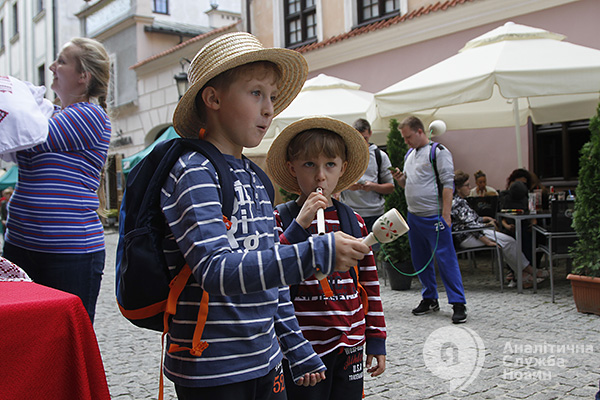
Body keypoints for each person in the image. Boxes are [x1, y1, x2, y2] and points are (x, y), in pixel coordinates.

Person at [162, 32, 370, 400]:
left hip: (266, 360)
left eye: (272, 97)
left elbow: (271, 277)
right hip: (212, 366)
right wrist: (316, 253)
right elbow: (215, 269)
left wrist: (296, 346)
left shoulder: (257, 179)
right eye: (256, 93)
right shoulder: (193, 171)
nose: (269, 108)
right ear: (213, 98)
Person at [267, 116, 386, 400]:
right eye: (309, 165)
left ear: (342, 169)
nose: (320, 176)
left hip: (350, 342)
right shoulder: (280, 220)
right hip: (303, 346)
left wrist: (377, 340)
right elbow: (272, 273)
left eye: (329, 165)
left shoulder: (354, 221)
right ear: (291, 168)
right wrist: (299, 226)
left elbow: (369, 283)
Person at [2, 38, 111, 323]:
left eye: (61, 61)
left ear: (83, 76)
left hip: (69, 253)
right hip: (21, 245)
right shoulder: (47, 115)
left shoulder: (91, 116)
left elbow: (31, 139)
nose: (52, 67)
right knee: (21, 336)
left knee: (65, 340)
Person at [391, 116, 467, 324]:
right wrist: (401, 180)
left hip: (434, 216)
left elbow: (448, 184)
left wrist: (446, 214)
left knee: (446, 259)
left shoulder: (438, 152)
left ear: (419, 132)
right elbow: (409, 183)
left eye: (408, 137)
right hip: (414, 216)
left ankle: (458, 303)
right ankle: (429, 297)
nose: (406, 141)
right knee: (420, 259)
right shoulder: (410, 154)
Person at [452, 171, 548, 288]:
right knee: (509, 242)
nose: (470, 187)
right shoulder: (457, 202)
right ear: (458, 188)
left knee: (508, 242)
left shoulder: (461, 201)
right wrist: (486, 241)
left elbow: (470, 220)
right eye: (466, 185)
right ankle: (529, 271)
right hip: (467, 236)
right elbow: (470, 225)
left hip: (473, 232)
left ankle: (522, 274)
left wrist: (485, 219)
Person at [339, 118, 394, 235]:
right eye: (359, 138)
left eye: (365, 138)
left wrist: (373, 186)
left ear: (370, 133)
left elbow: (390, 187)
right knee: (353, 250)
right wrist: (348, 186)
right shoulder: (345, 155)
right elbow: (334, 185)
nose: (362, 142)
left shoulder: (380, 156)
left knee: (375, 251)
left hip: (375, 214)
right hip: (351, 213)